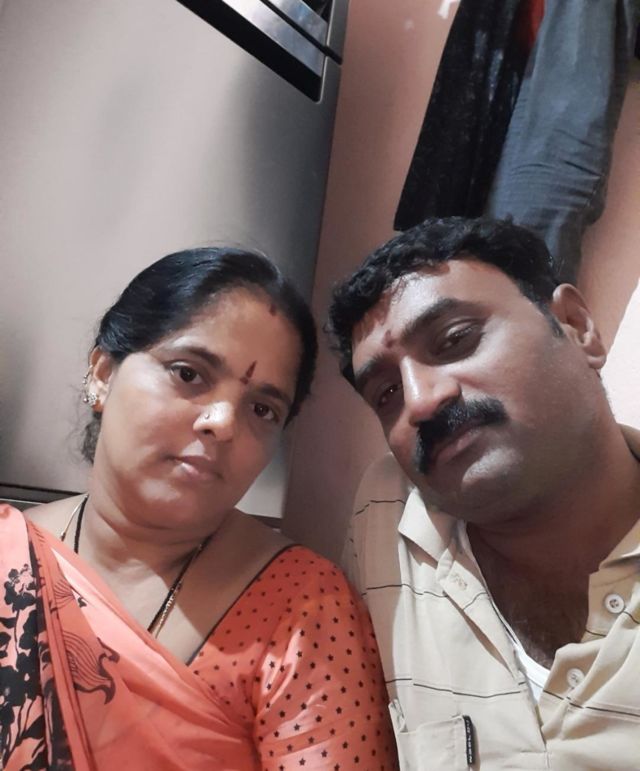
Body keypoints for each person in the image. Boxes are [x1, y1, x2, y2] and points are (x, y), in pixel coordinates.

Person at [0, 247, 397, 770]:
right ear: (102, 373)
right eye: (188, 374)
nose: (223, 423)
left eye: (262, 409)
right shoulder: (9, 552)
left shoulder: (303, 609)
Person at [327, 217, 640, 770]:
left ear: (576, 326)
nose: (420, 402)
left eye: (455, 340)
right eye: (387, 392)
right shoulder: (386, 511)